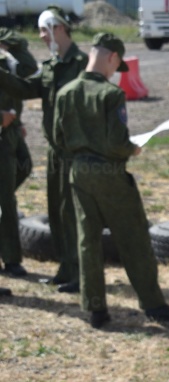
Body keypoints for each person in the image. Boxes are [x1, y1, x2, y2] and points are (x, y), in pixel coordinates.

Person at [53, 33, 169, 329]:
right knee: (134, 238)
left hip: (78, 171)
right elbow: (117, 142)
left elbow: (57, 138)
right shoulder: (111, 94)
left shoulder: (65, 92)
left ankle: (95, 309)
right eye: (117, 66)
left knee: (87, 240)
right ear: (112, 57)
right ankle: (154, 305)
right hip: (110, 175)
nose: (116, 73)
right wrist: (132, 148)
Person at [0, 5, 88, 292]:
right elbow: (26, 89)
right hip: (54, 151)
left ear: (58, 28)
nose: (40, 36)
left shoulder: (81, 63)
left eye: (43, 30)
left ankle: (79, 273)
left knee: (72, 213)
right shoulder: (50, 67)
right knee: (56, 211)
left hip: (74, 151)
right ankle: (66, 269)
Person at [0, 29, 37, 279]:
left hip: (11, 130)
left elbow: (27, 68)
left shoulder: (6, 59)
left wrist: (11, 42)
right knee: (6, 200)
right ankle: (11, 259)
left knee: (24, 166)